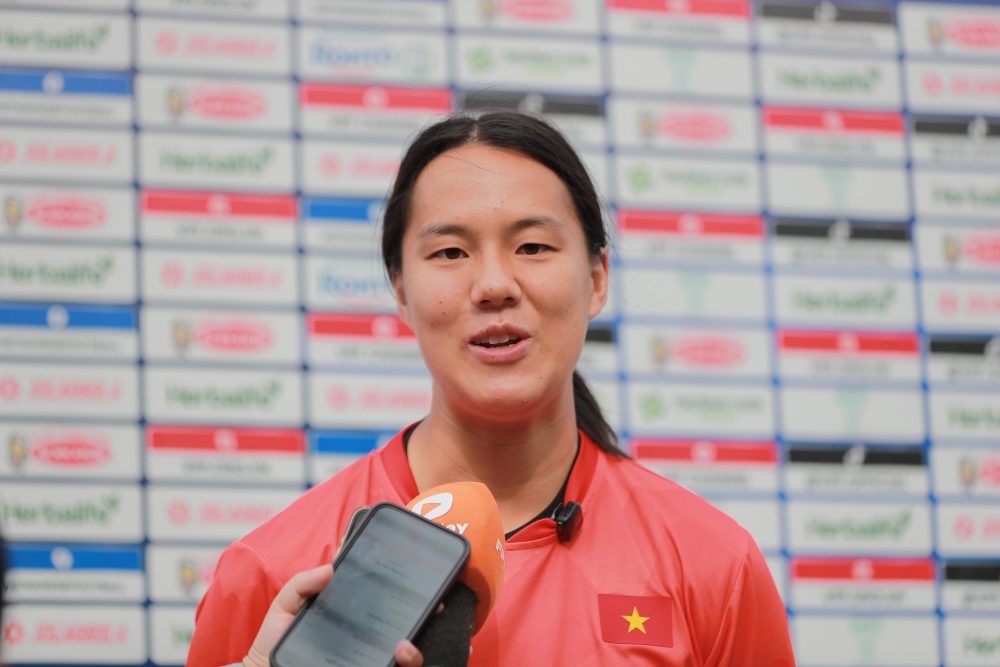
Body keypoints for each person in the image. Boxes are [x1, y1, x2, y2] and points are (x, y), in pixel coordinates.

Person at [188, 112, 795, 666]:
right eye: (450, 251)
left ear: (597, 277)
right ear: (400, 290)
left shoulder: (713, 566)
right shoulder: (273, 572)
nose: (494, 284)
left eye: (533, 246)